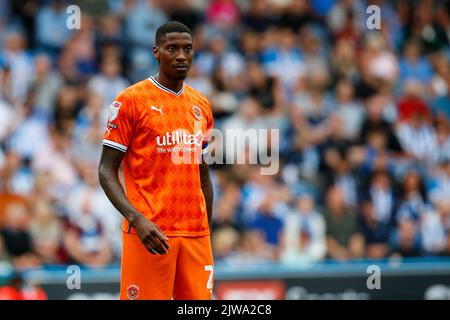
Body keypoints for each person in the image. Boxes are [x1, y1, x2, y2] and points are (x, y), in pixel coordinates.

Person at [98, 21, 214, 300]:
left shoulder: (202, 105)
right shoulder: (131, 101)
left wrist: (206, 229)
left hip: (196, 235)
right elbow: (105, 170)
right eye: (172, 49)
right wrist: (136, 219)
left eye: (188, 49)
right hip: (150, 232)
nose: (181, 56)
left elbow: (203, 175)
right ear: (156, 52)